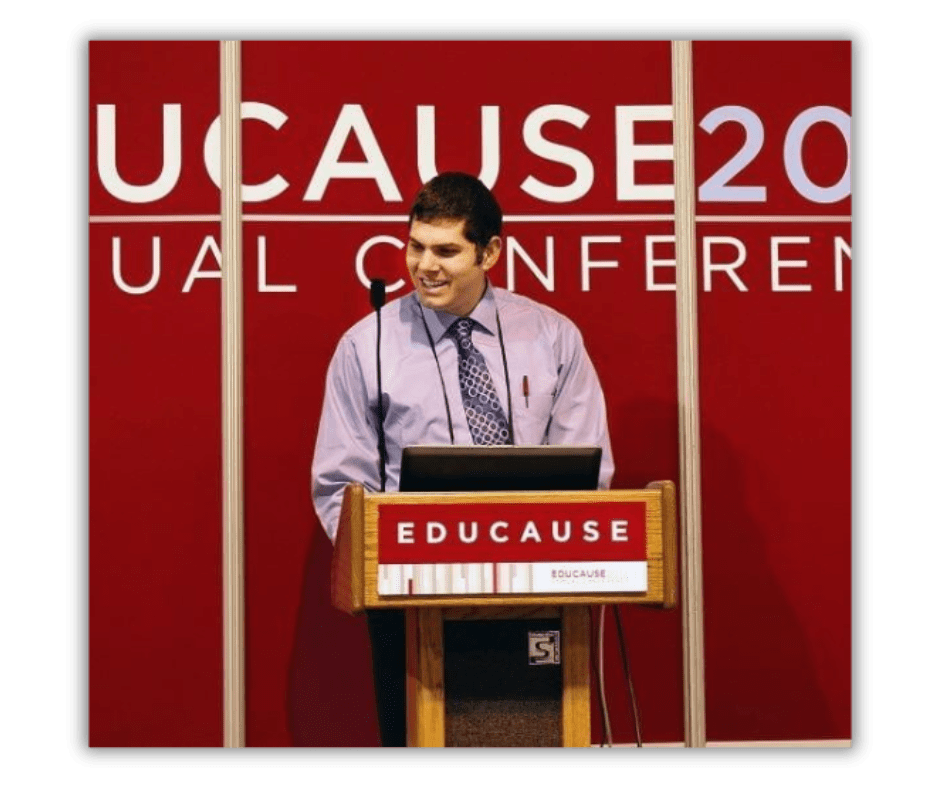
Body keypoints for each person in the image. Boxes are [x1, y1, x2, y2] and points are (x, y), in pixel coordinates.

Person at [311, 172, 614, 746]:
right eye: (415, 246)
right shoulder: (365, 345)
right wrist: (380, 562)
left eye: (447, 250)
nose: (426, 265)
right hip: (407, 600)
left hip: (538, 588)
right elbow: (340, 486)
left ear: (490, 252)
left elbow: (589, 470)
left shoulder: (552, 337)